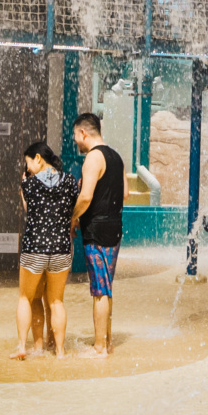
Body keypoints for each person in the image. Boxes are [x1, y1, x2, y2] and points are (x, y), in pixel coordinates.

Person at [69, 110, 125, 357]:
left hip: (96, 231)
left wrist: (73, 217)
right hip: (114, 227)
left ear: (83, 133)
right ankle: (108, 341)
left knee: (99, 290)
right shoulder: (117, 157)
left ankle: (99, 347)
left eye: (75, 136)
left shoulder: (93, 158)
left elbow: (86, 196)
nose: (75, 142)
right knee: (106, 287)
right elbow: (125, 195)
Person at [13, 141, 74, 359]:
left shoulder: (29, 184)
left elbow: (31, 213)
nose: (27, 168)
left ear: (38, 158)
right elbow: (69, 210)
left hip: (35, 249)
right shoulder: (69, 181)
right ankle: (59, 351)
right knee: (56, 301)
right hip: (60, 249)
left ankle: (23, 347)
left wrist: (23, 187)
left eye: (28, 163)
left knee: (26, 298)